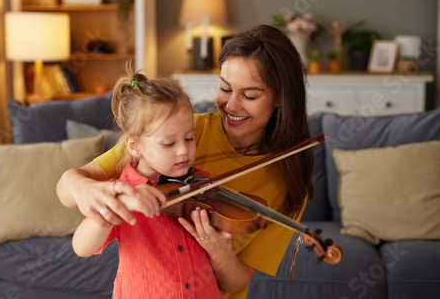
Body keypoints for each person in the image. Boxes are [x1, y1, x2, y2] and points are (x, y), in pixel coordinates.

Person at [57, 24, 314, 299]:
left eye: (249, 95)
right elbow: (69, 188)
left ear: (281, 98)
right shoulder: (178, 129)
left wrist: (219, 250)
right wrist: (92, 192)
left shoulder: (287, 181)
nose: (231, 105)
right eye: (225, 88)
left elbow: (235, 283)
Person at [70, 68, 225, 298]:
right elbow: (81, 247)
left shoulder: (200, 183)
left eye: (189, 138)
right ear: (135, 146)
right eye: (169, 143)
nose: (184, 150)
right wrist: (119, 204)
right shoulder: (123, 191)